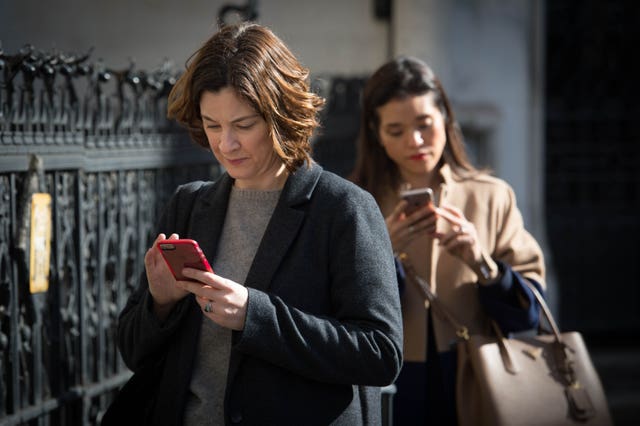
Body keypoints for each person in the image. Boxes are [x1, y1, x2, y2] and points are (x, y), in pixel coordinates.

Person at [112, 23, 403, 425]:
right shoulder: (190, 205)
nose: (225, 144)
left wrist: (255, 314)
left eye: (243, 125)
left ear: (281, 115)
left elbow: (381, 354)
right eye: (212, 125)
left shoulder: (343, 209)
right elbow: (133, 352)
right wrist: (160, 304)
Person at [349, 56, 546, 425]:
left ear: (445, 119)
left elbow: (528, 313)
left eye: (425, 123)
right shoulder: (356, 203)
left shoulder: (491, 196)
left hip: (477, 373)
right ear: (376, 134)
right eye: (396, 130)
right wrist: (382, 254)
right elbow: (338, 311)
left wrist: (481, 261)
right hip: (389, 378)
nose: (416, 141)